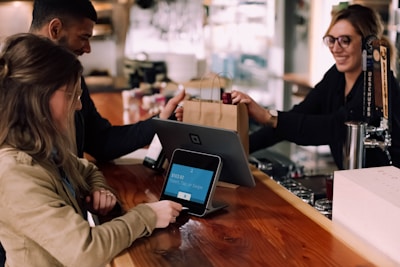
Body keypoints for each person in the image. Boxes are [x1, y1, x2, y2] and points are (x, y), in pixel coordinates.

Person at [0, 33, 183, 267]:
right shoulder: (16, 173)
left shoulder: (42, 150)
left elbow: (86, 168)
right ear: (39, 96)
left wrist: (99, 189)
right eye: (72, 95)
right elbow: (86, 251)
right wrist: (148, 215)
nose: (78, 105)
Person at [231, 4, 400, 170]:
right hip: (354, 182)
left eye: (344, 40)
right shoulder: (336, 76)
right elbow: (299, 114)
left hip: (389, 187)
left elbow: (335, 128)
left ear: (367, 44)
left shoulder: (379, 85)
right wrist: (237, 150)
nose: (335, 48)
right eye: (331, 40)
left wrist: (268, 116)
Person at [29, 0, 185, 161]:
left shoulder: (72, 78)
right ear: (55, 29)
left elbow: (101, 141)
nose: (88, 49)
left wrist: (161, 122)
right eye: (83, 37)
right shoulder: (9, 85)